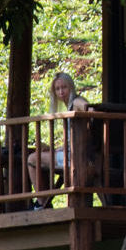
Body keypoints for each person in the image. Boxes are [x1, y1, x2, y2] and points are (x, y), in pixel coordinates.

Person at [25, 71, 90, 206]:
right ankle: (45, 200)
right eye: (57, 89)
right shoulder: (68, 107)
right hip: (71, 153)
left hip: (76, 157)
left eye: (64, 87)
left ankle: (42, 202)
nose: (61, 92)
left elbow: (90, 109)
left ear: (71, 87)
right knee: (41, 156)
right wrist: (55, 149)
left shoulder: (77, 101)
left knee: (32, 159)